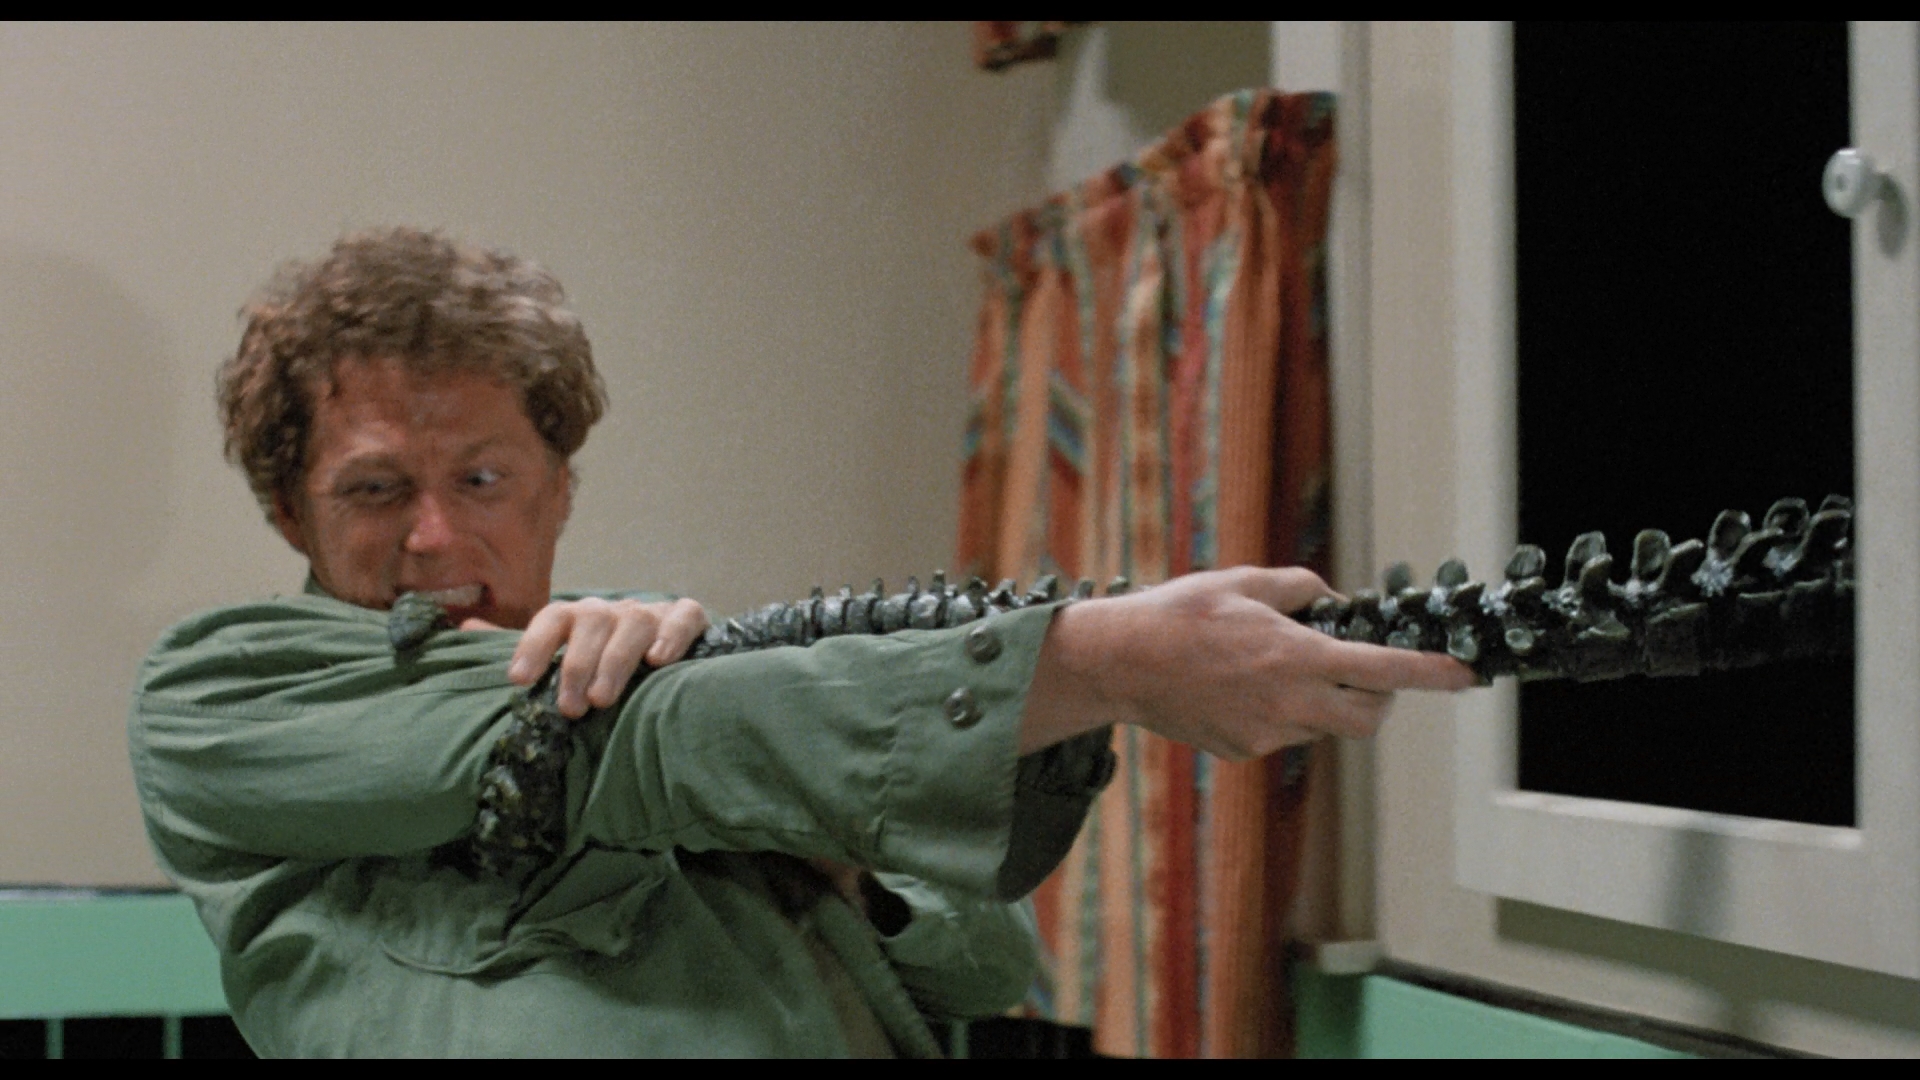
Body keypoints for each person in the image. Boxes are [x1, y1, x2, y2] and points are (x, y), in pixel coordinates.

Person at [128, 227, 1474, 1057]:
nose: (432, 536)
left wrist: (838, 856)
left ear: (557, 490)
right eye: (375, 490)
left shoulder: (670, 668)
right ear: (290, 509)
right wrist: (1110, 660)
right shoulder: (226, 694)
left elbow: (982, 962)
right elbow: (629, 752)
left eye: (480, 480)